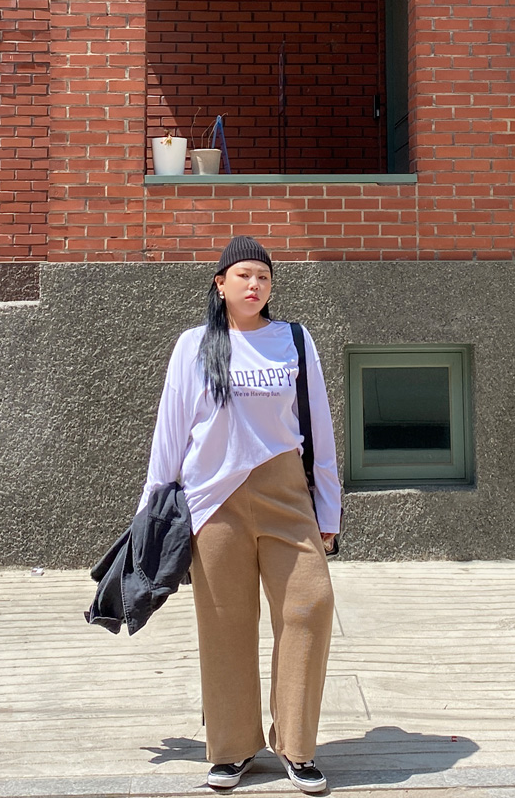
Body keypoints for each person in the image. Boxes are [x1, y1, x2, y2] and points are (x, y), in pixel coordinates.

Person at [138, 235, 342, 794]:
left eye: (264, 277)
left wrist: (329, 508)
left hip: (286, 495)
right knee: (225, 623)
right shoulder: (194, 345)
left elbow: (319, 429)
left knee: (310, 605)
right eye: (244, 275)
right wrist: (150, 510)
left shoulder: (293, 340)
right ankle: (232, 749)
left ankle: (296, 747)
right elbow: (170, 430)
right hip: (214, 501)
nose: (255, 285)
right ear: (220, 283)